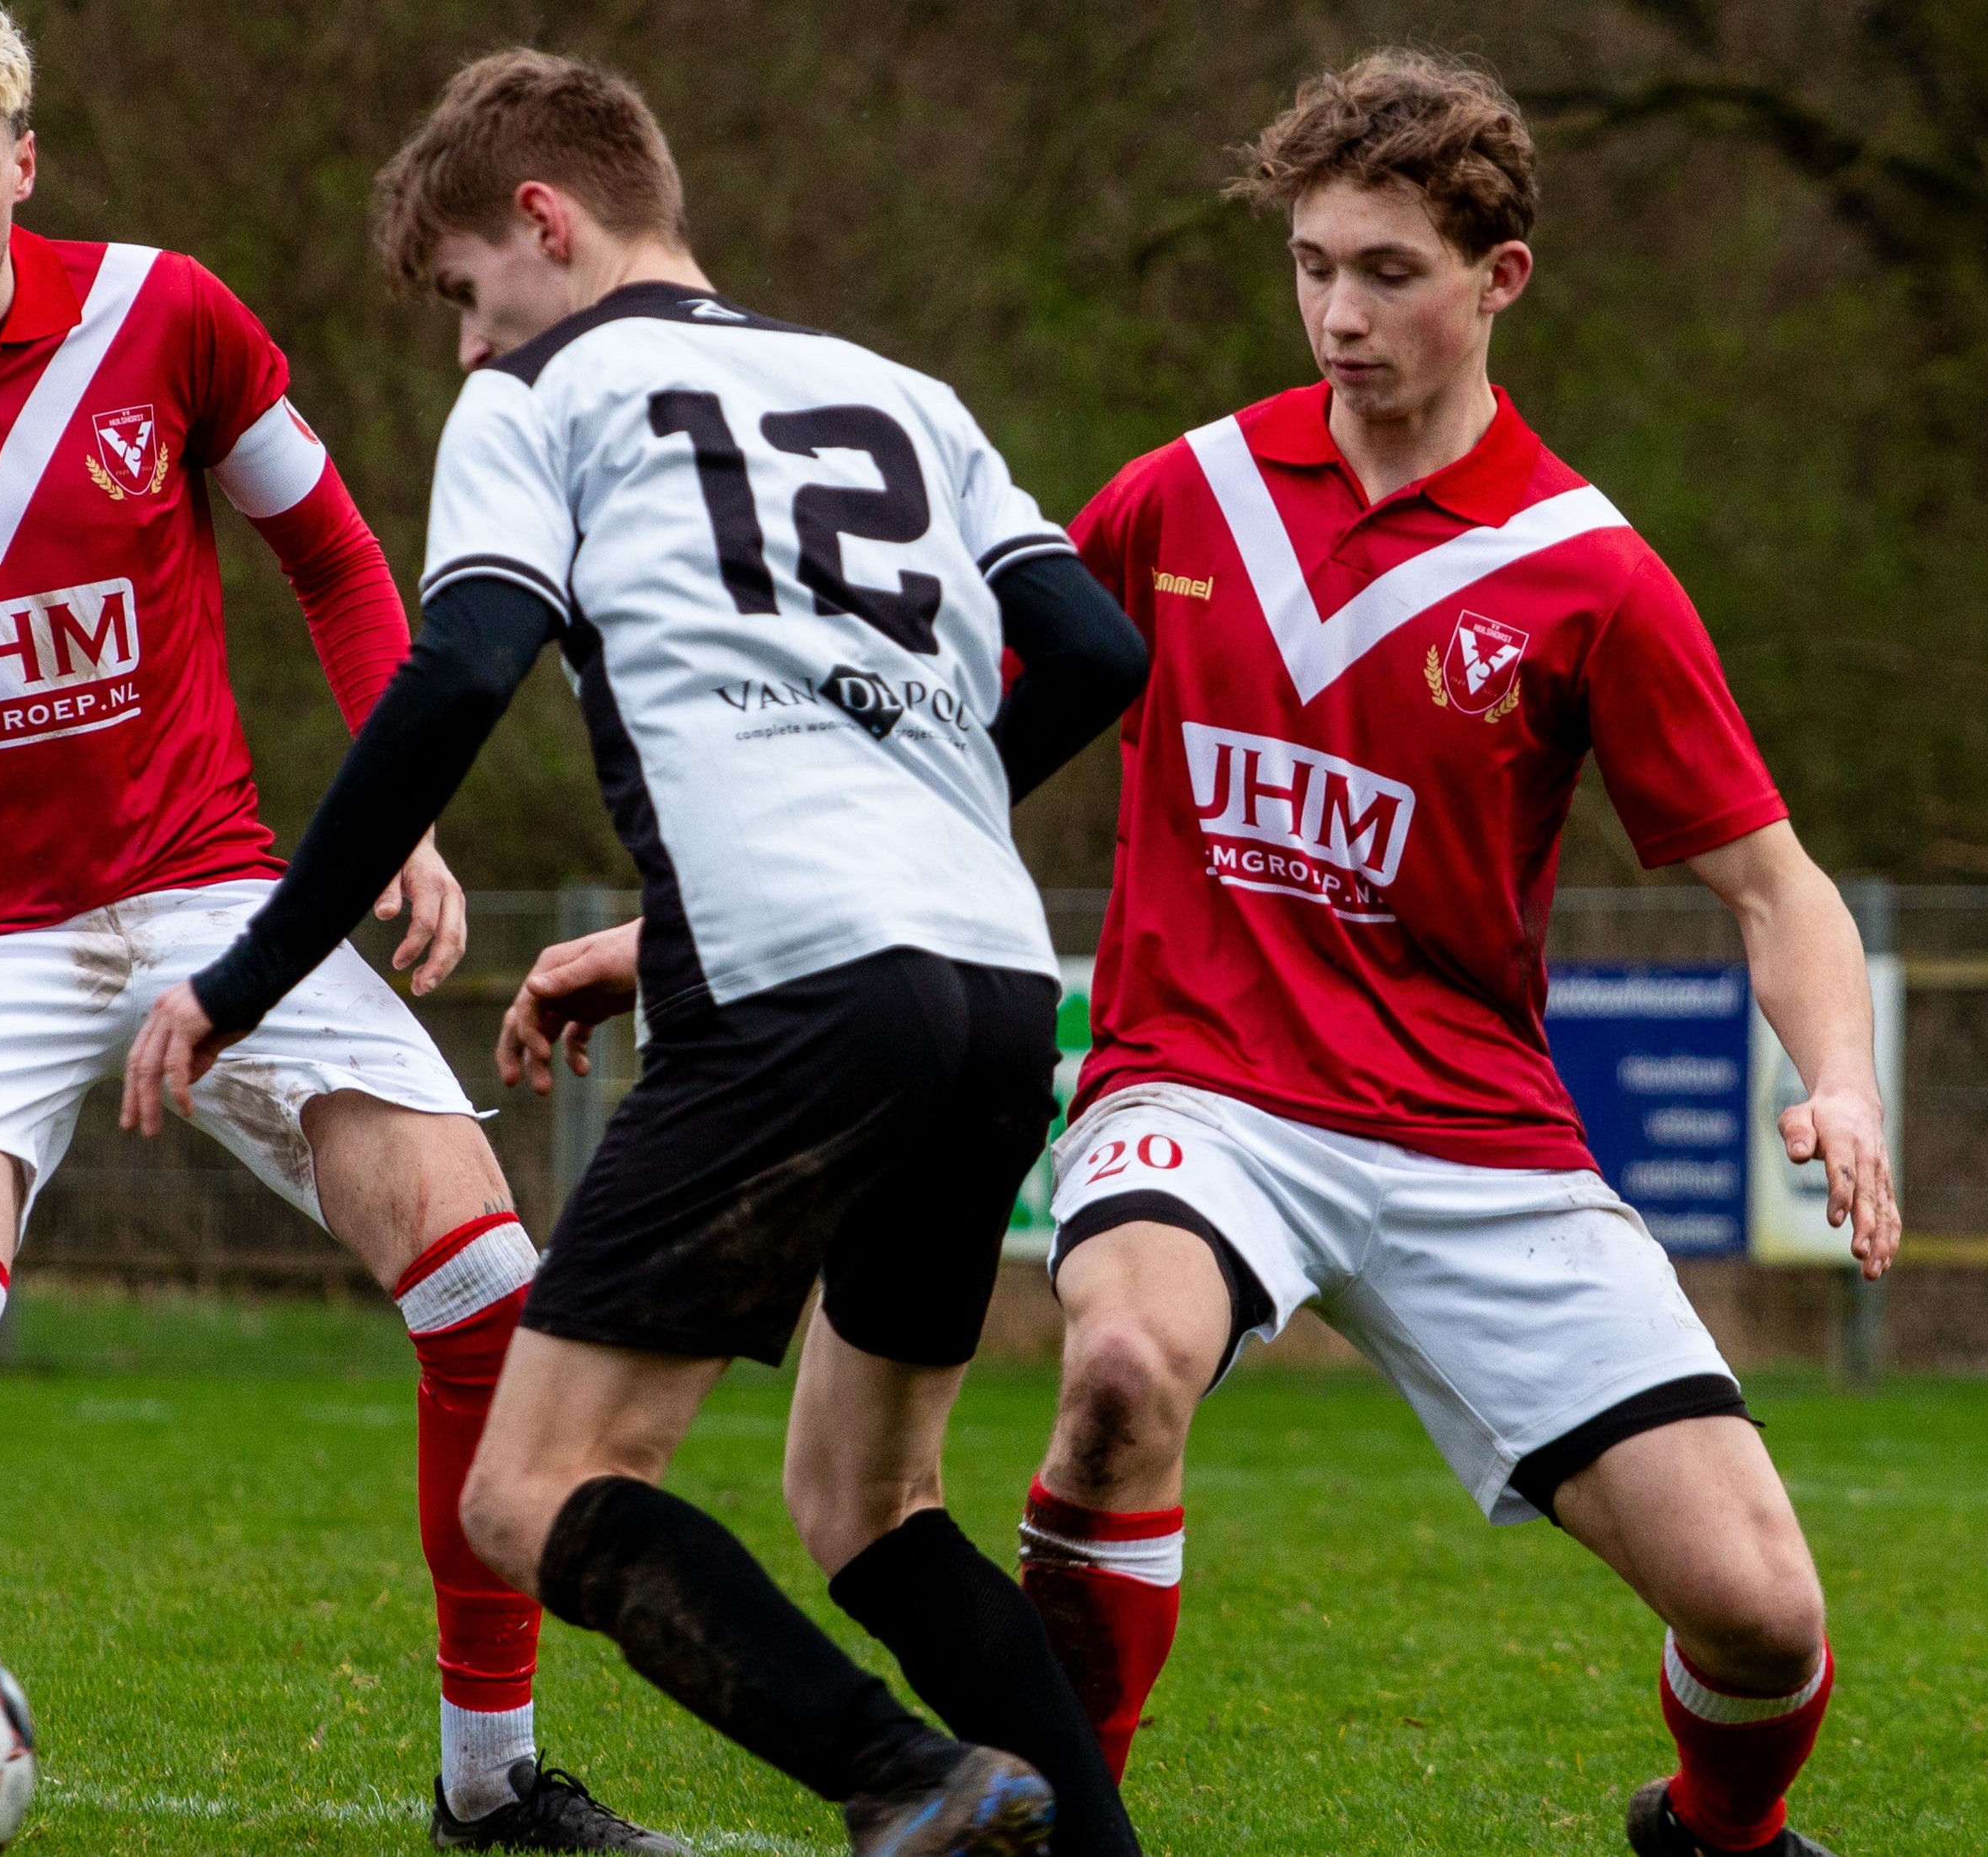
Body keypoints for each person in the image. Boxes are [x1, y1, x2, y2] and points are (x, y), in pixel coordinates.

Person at [0, 6, 677, 1850]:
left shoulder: (166, 315)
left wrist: (392, 811)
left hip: (215, 891)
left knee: (489, 1284)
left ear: (26, 158)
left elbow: (340, 559)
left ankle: (490, 1785)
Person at [121, 49, 1150, 1857]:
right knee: (874, 1502)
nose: (463, 346)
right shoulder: (898, 389)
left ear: (546, 219)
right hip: (996, 985)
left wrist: (242, 978)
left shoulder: (547, 399)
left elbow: (452, 676)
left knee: (534, 1489)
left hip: (800, 1000)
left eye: (462, 293)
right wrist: (832, 852)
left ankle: (910, 1778)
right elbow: (1089, 651)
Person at [995, 51, 1891, 1857]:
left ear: (1501, 279)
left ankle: (1714, 1831)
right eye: (1314, 264)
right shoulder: (1180, 500)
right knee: (1114, 1375)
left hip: (1474, 1136)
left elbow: (1778, 886)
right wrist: (691, 929)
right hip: (1204, 1088)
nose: (1340, 312)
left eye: (1388, 270)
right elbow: (952, 759)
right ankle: (1053, 1829)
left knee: (1764, 1613)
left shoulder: (1590, 574)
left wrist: (1846, 1086)